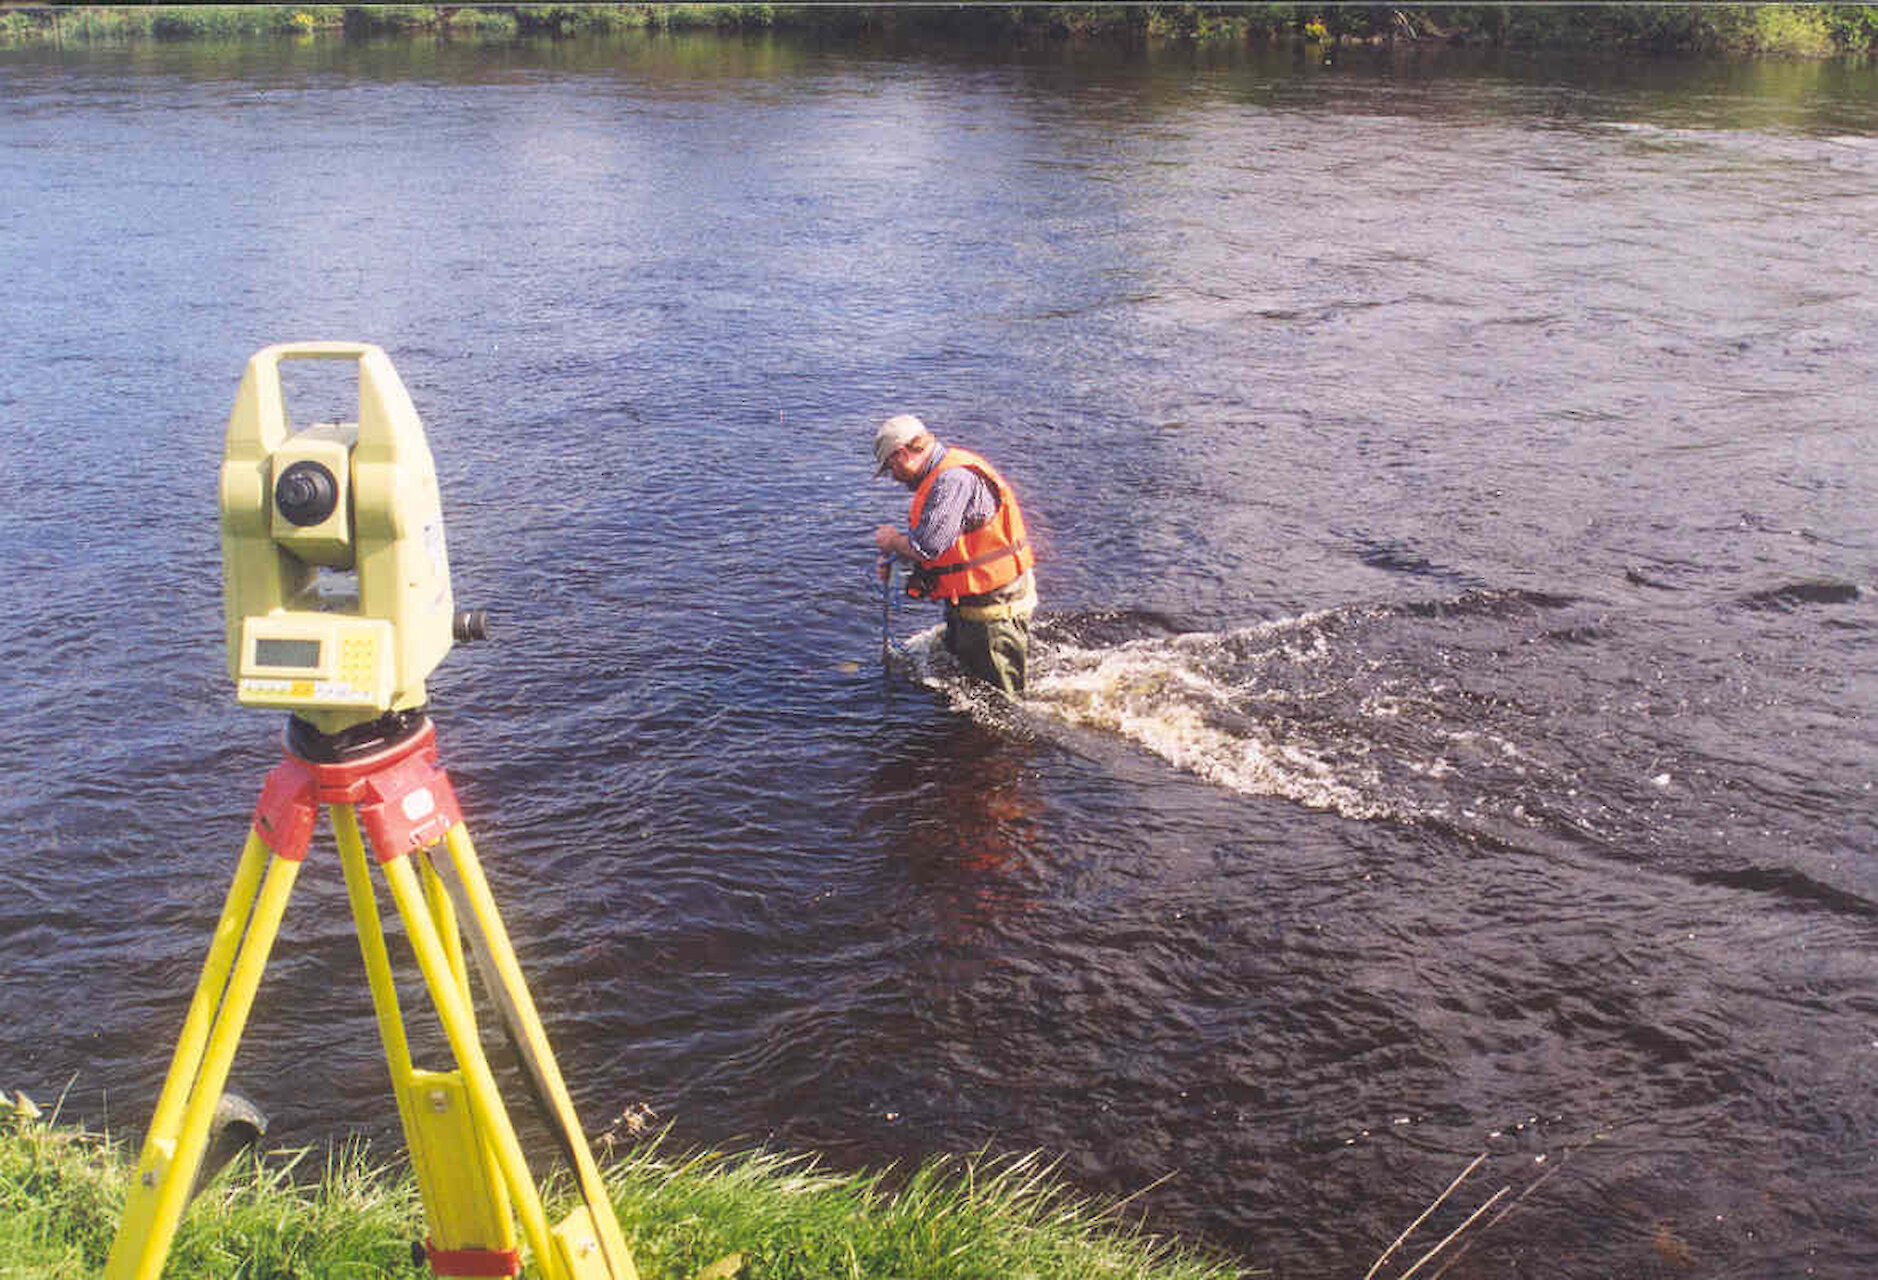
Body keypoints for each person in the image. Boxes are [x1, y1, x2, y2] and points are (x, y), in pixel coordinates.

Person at [871, 414, 1038, 696]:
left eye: (890, 468)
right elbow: (940, 546)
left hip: (994, 606)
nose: (893, 477)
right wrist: (898, 561)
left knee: (1003, 702)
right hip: (976, 601)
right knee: (967, 681)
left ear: (901, 455)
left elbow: (927, 547)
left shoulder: (952, 479)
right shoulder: (945, 471)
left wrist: (892, 542)